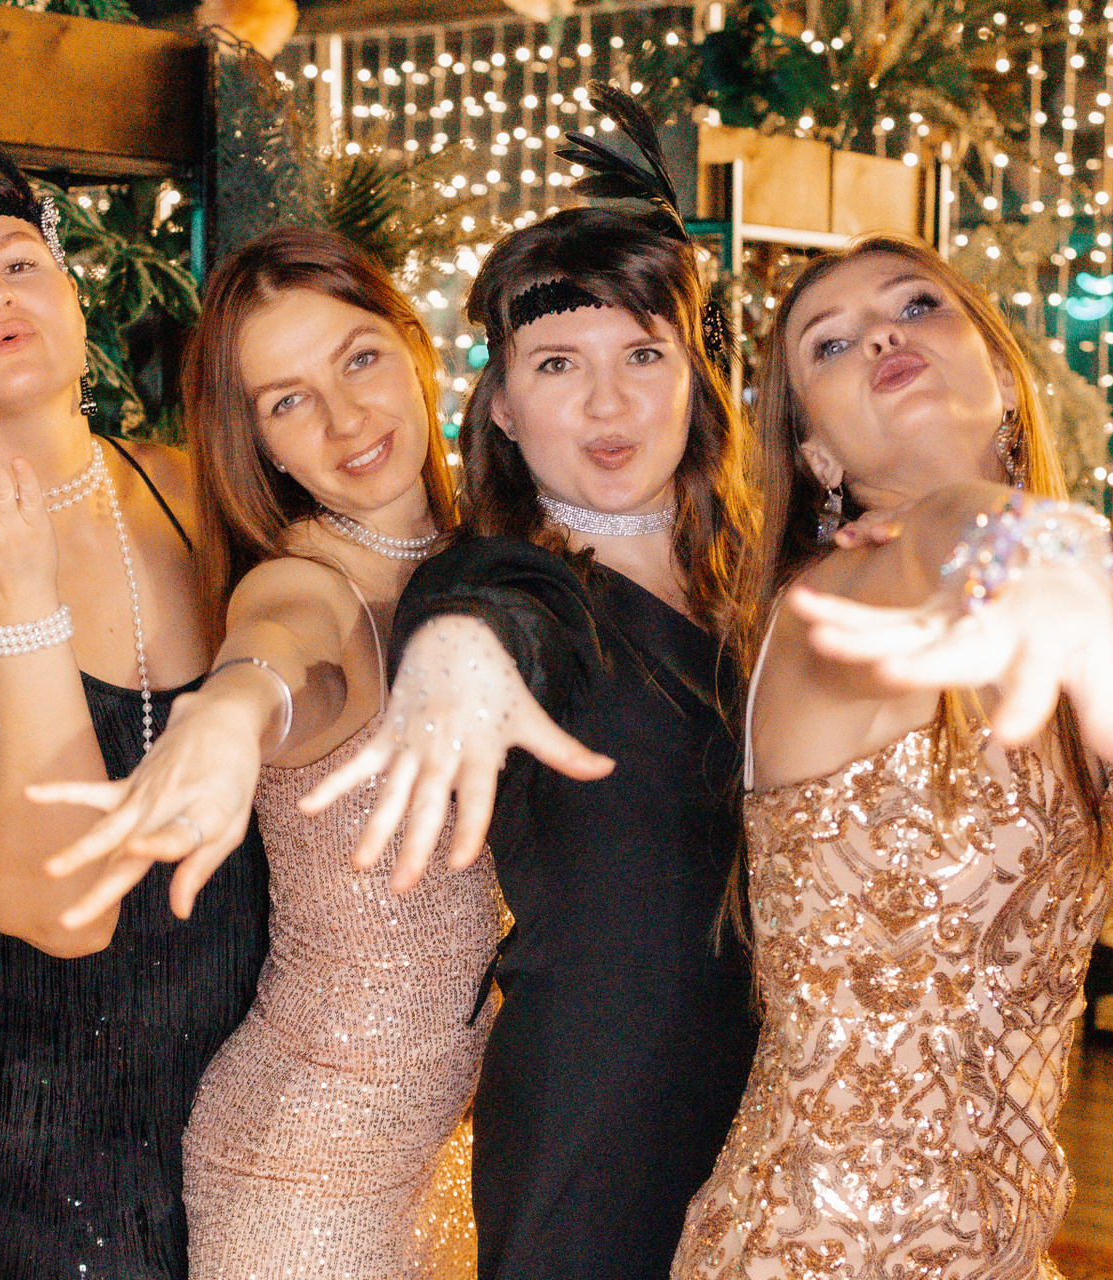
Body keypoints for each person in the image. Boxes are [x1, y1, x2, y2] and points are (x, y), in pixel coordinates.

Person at [669, 234, 1113, 1278]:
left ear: (1006, 384)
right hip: (817, 1252)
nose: (880, 336)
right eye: (829, 344)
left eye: (916, 306)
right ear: (820, 457)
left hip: (1003, 1245)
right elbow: (950, 526)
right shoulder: (835, 609)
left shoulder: (1051, 616)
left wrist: (1063, 575)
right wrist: (997, 525)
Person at [299, 85, 764, 1280]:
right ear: (502, 405)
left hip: (789, 1112)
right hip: (601, 1127)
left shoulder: (761, 582)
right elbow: (486, 613)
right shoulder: (504, 577)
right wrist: (455, 646)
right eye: (559, 363)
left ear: (695, 374)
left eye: (643, 354)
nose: (608, 402)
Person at [0, 112, 268, 1280]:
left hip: (273, 1102)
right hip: (64, 1154)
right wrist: (20, 608)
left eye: (20, 262)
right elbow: (67, 910)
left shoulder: (194, 488)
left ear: (72, 301)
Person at [29, 228, 500, 1278]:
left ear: (415, 349)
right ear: (261, 445)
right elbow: (281, 650)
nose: (344, 418)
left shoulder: (489, 557)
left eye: (360, 359)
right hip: (309, 1176)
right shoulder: (303, 579)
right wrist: (229, 711)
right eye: (288, 401)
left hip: (468, 1153)